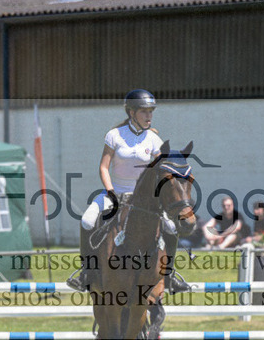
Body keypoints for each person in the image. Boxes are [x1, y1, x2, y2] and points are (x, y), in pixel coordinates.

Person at [67, 89, 190, 294]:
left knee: (171, 227)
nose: (149, 116)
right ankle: (86, 272)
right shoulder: (114, 136)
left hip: (143, 199)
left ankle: (169, 275)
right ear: (132, 112)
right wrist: (111, 192)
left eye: (151, 111)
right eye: (145, 112)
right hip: (116, 192)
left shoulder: (154, 140)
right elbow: (103, 167)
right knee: (87, 220)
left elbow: (160, 171)